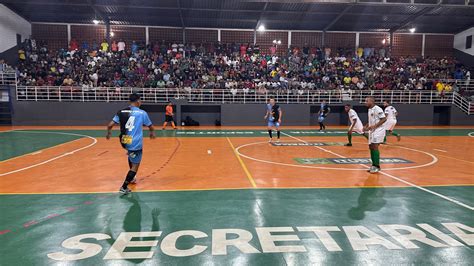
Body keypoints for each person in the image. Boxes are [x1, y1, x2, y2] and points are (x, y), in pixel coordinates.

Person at [106, 93, 155, 194]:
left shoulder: (121, 111)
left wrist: (109, 133)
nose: (141, 102)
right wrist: (151, 133)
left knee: (130, 154)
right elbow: (150, 126)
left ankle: (132, 178)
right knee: (135, 166)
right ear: (137, 101)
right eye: (140, 100)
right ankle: (124, 186)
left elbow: (110, 125)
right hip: (135, 142)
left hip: (125, 140)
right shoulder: (142, 113)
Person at [364, 97, 387, 174]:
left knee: (374, 146)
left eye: (367, 101)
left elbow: (384, 119)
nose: (365, 102)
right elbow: (371, 120)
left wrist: (374, 126)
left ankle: (377, 166)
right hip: (372, 130)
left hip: (378, 130)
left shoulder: (377, 109)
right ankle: (373, 165)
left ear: (372, 101)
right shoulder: (369, 109)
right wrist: (367, 125)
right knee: (371, 146)